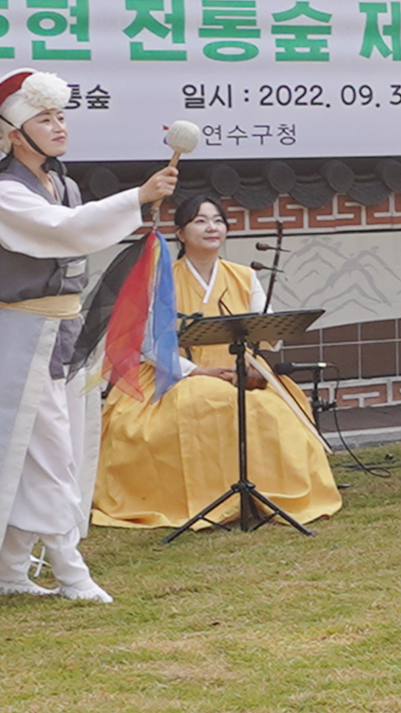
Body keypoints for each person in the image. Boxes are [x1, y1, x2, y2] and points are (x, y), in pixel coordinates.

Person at [0, 71, 175, 604]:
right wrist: (138, 197)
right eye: (45, 119)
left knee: (42, 454)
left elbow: (77, 224)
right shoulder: (6, 194)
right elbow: (65, 232)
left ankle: (10, 572)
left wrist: (137, 203)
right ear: (14, 134)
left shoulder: (63, 185)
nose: (59, 126)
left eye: (61, 116)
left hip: (60, 330)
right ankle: (71, 572)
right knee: (48, 455)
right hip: (19, 336)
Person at [92, 193, 344, 528]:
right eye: (200, 220)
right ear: (180, 233)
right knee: (202, 402)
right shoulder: (161, 278)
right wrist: (197, 370)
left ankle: (263, 495)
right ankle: (207, 498)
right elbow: (149, 343)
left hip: (236, 371)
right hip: (175, 374)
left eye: (218, 220)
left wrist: (265, 334)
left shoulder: (244, 276)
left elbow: (267, 331)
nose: (212, 227)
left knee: (272, 409)